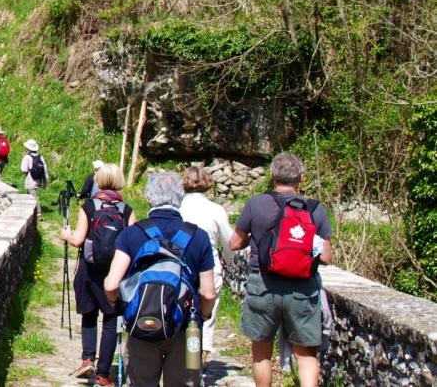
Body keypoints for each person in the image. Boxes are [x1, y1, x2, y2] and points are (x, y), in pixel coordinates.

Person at [229, 153, 333, 387]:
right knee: (306, 355)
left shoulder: (256, 203)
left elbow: (234, 244)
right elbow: (326, 257)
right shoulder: (315, 209)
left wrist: (254, 238)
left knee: (262, 351)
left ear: (272, 175)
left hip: (263, 285)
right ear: (301, 178)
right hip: (302, 289)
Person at [104, 172, 217, 387]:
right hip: (185, 326)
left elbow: (111, 285)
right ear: (180, 197)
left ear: (148, 197)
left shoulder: (131, 234)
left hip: (142, 324)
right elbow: (208, 293)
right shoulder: (198, 237)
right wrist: (201, 315)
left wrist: (122, 307)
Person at [61, 163, 136, 385]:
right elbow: (133, 242)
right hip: (115, 272)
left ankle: (87, 360)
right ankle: (104, 373)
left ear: (99, 180)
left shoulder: (89, 206)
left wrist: (66, 234)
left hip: (89, 269)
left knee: (89, 313)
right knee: (112, 319)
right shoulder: (127, 210)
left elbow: (78, 240)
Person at [179, 165, 236, 368]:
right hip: (209, 269)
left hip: (179, 268)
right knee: (206, 318)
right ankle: (198, 365)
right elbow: (230, 243)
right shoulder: (215, 210)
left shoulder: (177, 208)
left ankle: (177, 362)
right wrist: (226, 261)